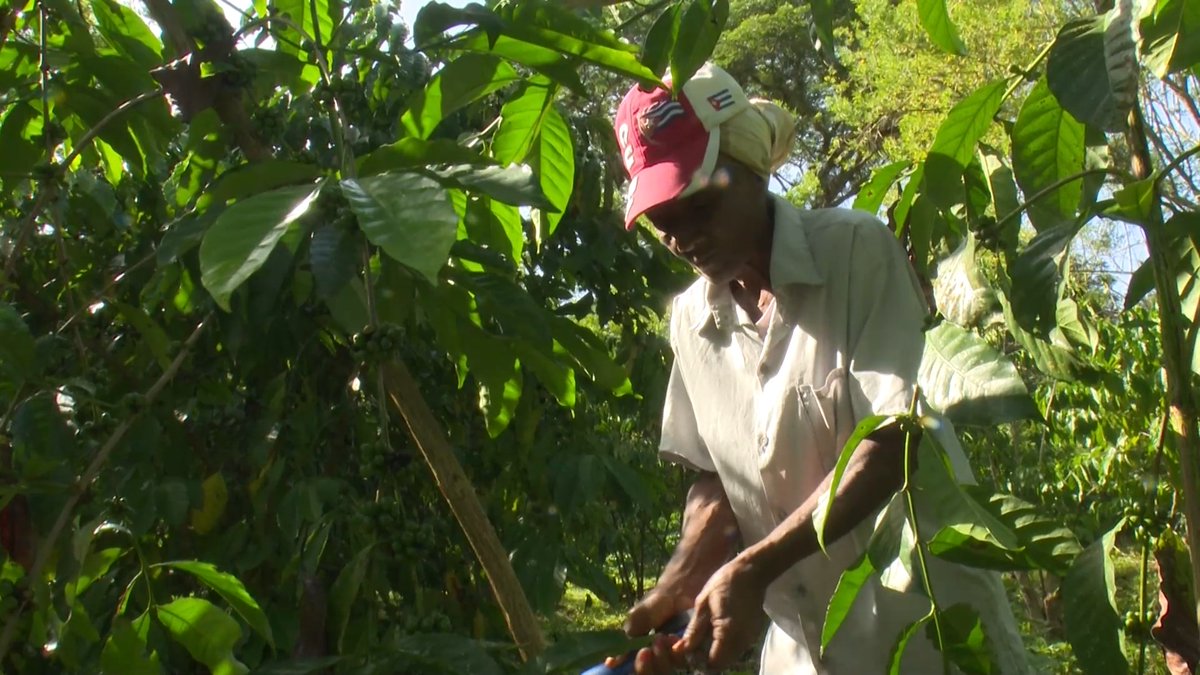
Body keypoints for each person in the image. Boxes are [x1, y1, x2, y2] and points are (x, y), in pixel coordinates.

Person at [604, 64, 1032, 674]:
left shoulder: (855, 252)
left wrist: (755, 568)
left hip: (929, 639)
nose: (682, 235)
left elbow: (893, 442)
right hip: (802, 655)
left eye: (698, 202)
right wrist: (686, 574)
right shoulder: (693, 322)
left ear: (752, 168)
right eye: (662, 218)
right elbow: (715, 477)